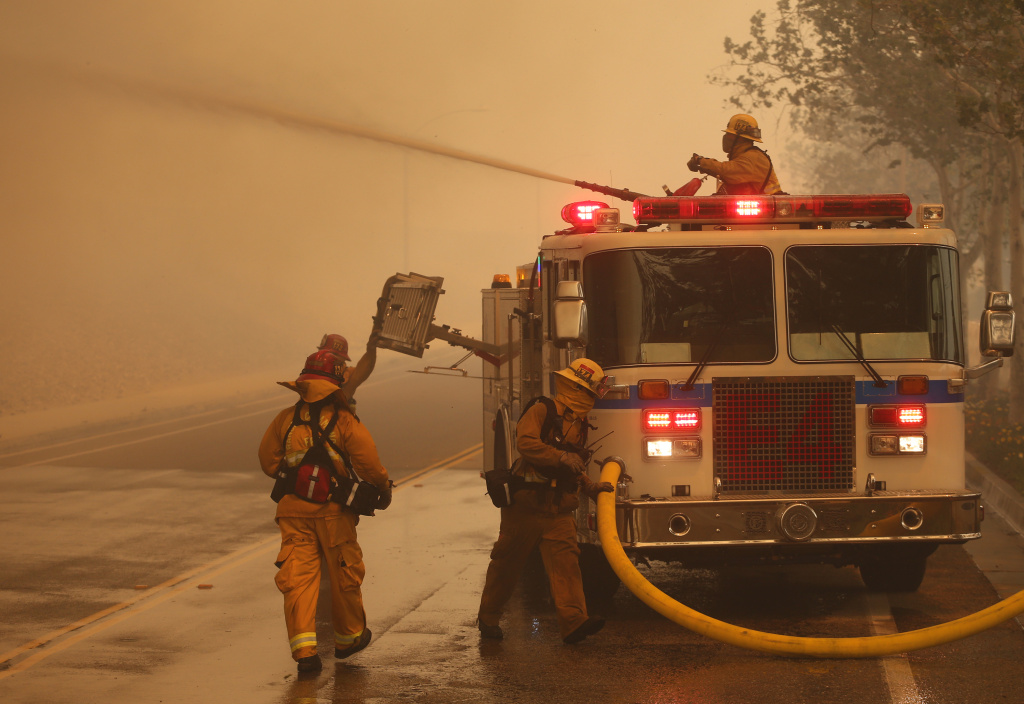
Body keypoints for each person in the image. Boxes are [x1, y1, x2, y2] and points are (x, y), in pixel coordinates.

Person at [258, 347, 393, 673]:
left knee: (298, 580)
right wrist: (383, 490)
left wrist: (297, 475)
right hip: (334, 513)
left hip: (292, 512)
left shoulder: (285, 419)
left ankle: (304, 652)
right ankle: (348, 639)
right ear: (335, 382)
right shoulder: (344, 420)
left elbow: (268, 461)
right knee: (345, 572)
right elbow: (369, 465)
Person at [477, 358, 615, 644]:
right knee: (507, 564)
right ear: (576, 386)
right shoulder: (542, 409)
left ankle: (574, 623)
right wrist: (560, 456)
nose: (589, 398)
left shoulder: (579, 422)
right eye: (588, 391)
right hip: (525, 506)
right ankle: (488, 617)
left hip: (558, 509)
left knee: (566, 564)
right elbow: (525, 443)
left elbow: (574, 462)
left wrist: (590, 486)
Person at [686, 113, 783, 195]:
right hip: (759, 206)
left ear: (740, 138)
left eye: (729, 134)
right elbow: (731, 174)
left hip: (766, 210)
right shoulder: (746, 157)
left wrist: (700, 161)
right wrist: (701, 167)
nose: (726, 137)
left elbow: (727, 171)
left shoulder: (753, 157)